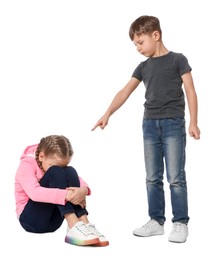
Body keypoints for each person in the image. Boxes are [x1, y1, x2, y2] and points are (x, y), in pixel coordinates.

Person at [92, 15, 200, 243]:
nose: (138, 48)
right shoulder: (143, 66)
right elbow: (124, 91)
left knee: (176, 177)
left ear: (156, 35)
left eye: (140, 42)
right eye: (135, 45)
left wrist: (193, 122)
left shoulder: (178, 60)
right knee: (152, 177)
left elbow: (190, 90)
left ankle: (180, 223)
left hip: (173, 124)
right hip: (149, 124)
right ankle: (156, 221)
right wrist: (107, 113)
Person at [14, 134, 109, 247]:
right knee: (56, 172)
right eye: (54, 165)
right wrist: (66, 195)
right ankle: (72, 222)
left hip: (53, 222)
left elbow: (76, 179)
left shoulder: (49, 161)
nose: (60, 168)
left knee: (70, 171)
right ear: (41, 156)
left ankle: (84, 222)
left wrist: (83, 190)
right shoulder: (26, 164)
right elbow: (34, 193)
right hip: (31, 220)